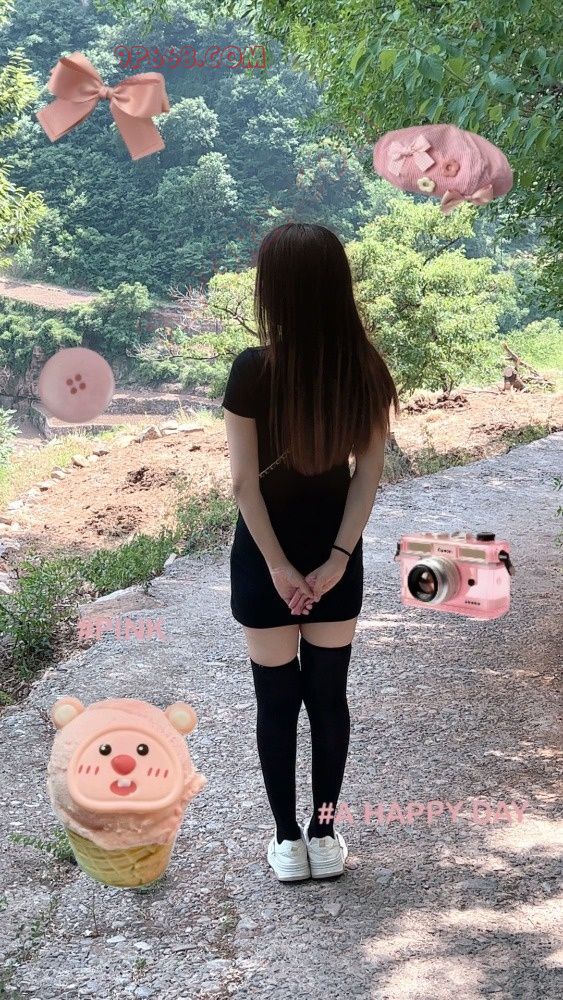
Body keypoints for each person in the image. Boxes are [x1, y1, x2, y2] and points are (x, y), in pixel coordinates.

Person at [221, 222, 398, 882]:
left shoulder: (252, 369)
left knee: (275, 703)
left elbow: (243, 484)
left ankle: (287, 841)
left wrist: (277, 567)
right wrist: (337, 559)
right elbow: (367, 476)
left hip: (264, 560)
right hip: (334, 562)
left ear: (276, 292)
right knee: (329, 700)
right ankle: (325, 834)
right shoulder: (366, 370)